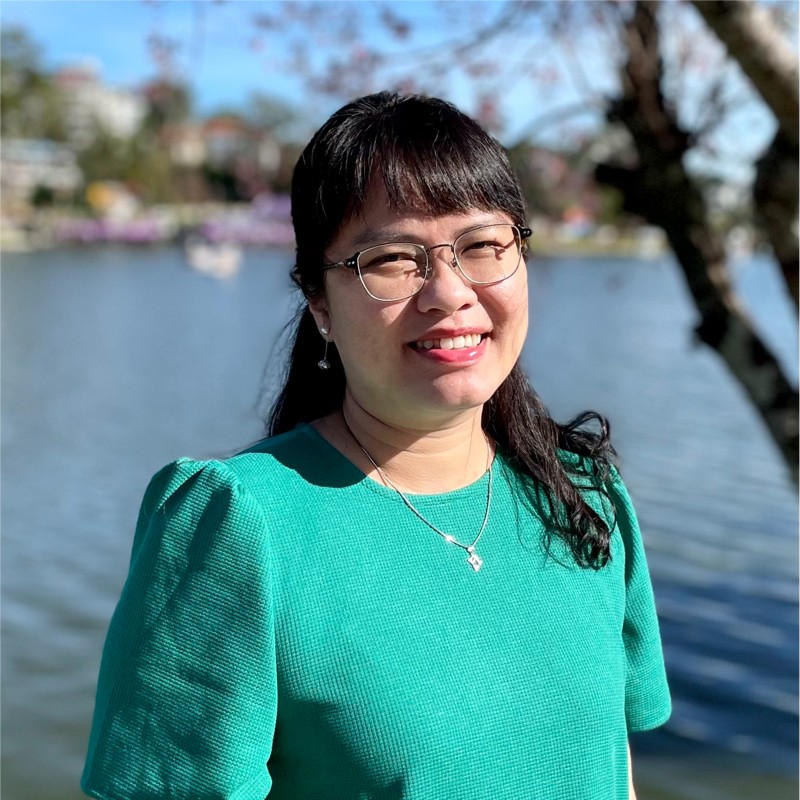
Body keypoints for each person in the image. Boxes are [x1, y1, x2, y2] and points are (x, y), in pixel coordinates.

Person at [82, 91, 670, 800]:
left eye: (484, 246)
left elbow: (613, 772)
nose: (450, 293)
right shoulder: (240, 525)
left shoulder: (581, 494)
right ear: (319, 303)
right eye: (392, 259)